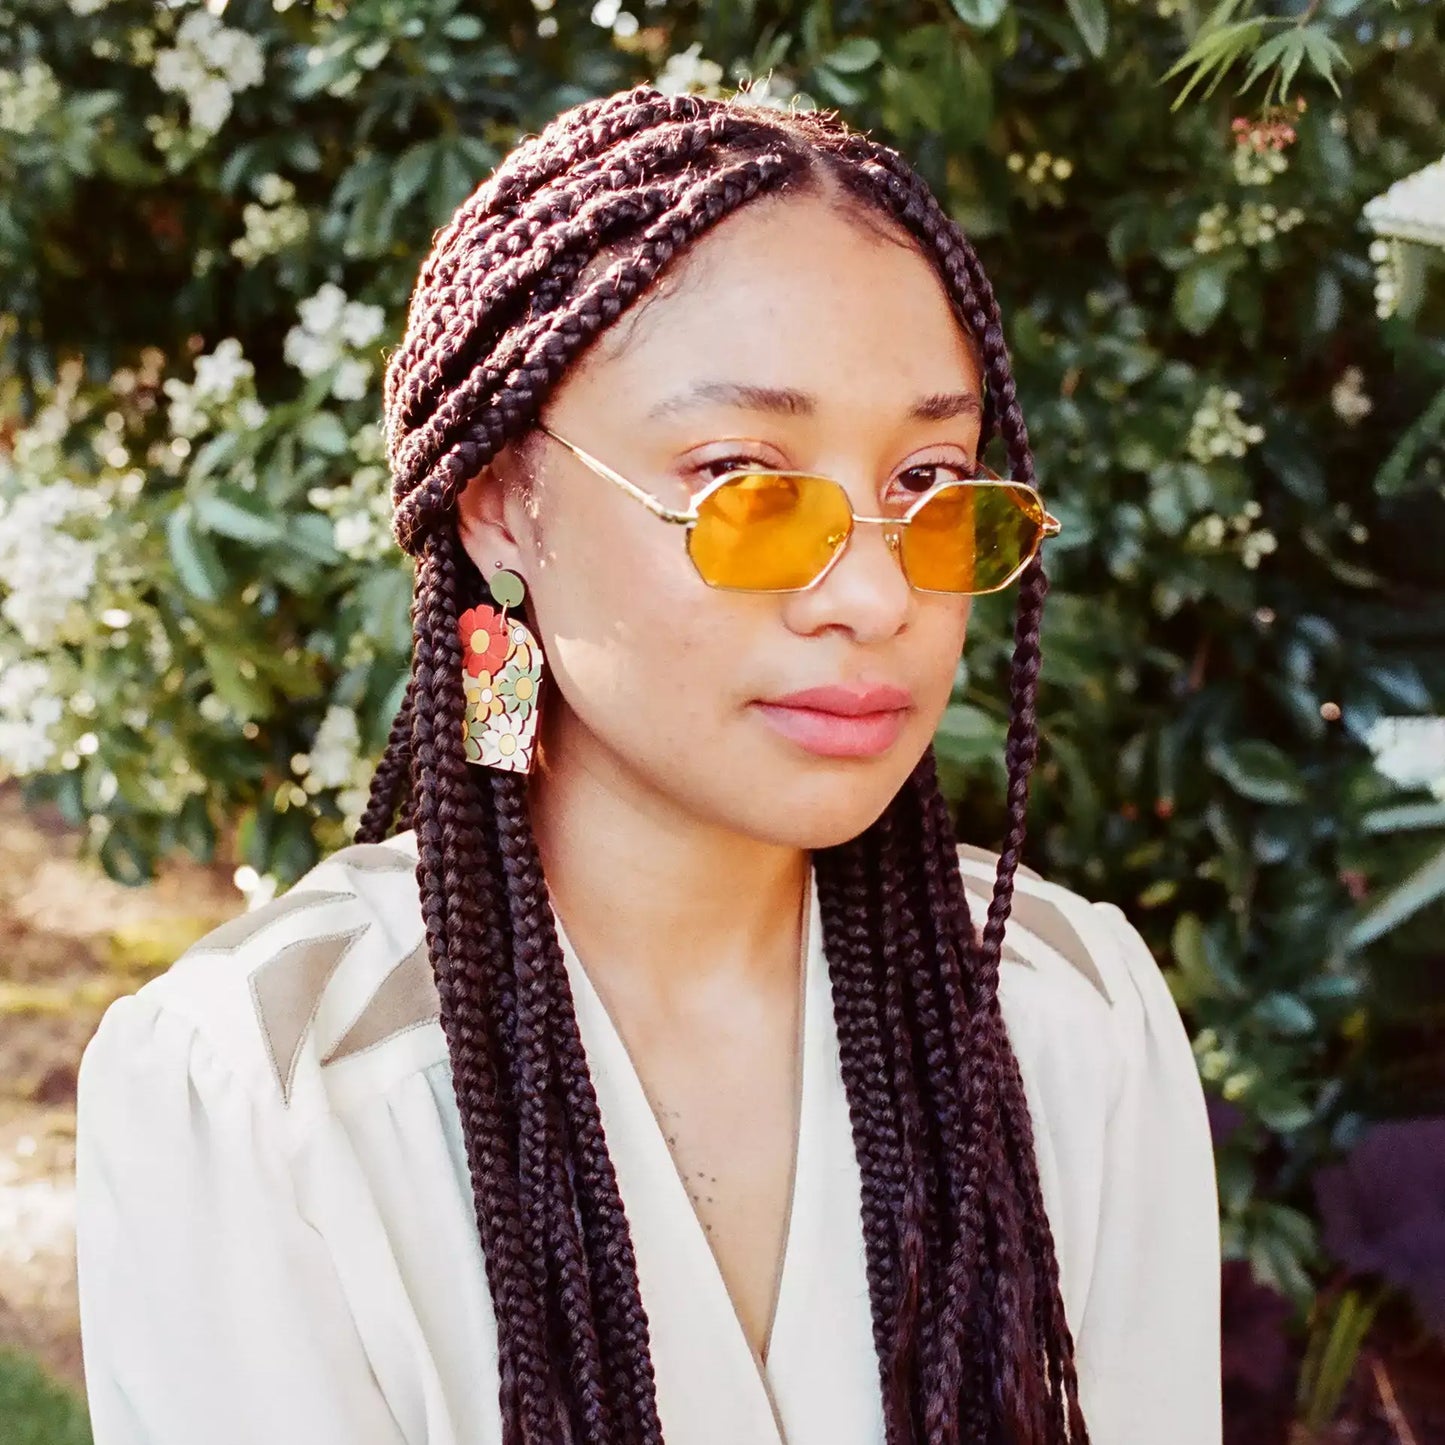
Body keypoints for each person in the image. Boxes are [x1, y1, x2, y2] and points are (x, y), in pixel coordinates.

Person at [73, 85, 1221, 1445]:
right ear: (504, 506)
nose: (869, 593)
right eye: (745, 482)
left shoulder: (1062, 1012)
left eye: (928, 480)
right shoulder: (265, 1087)